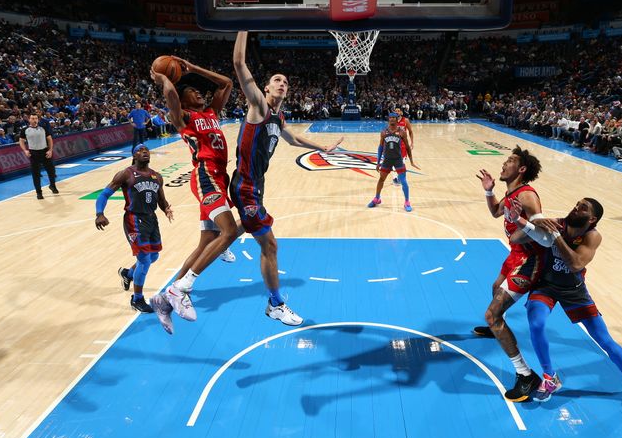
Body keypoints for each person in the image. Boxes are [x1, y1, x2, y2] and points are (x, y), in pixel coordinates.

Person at [232, 31, 343, 326]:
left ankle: (204, 255)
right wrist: (242, 26)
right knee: (270, 246)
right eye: (277, 80)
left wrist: (323, 146)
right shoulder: (258, 106)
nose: (283, 84)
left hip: (255, 186)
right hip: (245, 186)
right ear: (265, 88)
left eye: (286, 82)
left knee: (238, 231)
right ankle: (276, 304)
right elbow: (239, 64)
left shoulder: (278, 118)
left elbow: (293, 139)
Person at [503, 197, 622, 416]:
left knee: (604, 340)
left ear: (592, 218)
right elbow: (516, 239)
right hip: (546, 286)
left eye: (582, 208)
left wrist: (554, 237)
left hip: (574, 290)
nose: (575, 207)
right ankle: (549, 377)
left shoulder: (593, 236)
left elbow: (575, 264)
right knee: (536, 324)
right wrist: (524, 222)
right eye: (576, 204)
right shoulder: (557, 223)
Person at [148, 59, 241, 334]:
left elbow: (226, 83)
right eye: (192, 90)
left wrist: (193, 68)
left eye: (199, 91)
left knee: (207, 243)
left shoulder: (211, 112)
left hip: (219, 178)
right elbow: (172, 98)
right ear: (185, 99)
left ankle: (163, 300)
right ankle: (181, 288)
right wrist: (166, 79)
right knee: (230, 231)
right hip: (205, 176)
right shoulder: (184, 117)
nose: (198, 92)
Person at [472, 146, 545, 401]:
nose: (504, 164)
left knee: (492, 314)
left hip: (530, 259)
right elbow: (495, 212)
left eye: (510, 161)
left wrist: (520, 231)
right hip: (515, 255)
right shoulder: (511, 192)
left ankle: (526, 375)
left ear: (521, 169)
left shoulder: (527, 196)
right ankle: (497, 328)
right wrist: (489, 190)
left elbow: (542, 228)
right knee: (495, 288)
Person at [95, 144, 174, 312]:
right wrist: (99, 213)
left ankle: (128, 274)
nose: (144, 151)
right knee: (144, 259)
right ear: (134, 156)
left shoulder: (157, 176)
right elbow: (104, 194)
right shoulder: (126, 174)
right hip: (134, 219)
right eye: (139, 150)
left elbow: (161, 199)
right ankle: (137, 299)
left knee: (154, 256)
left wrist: (166, 208)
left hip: (151, 219)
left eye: (146, 149)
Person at [367, 112, 419, 211]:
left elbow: (407, 147)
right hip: (387, 160)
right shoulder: (383, 132)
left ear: (396, 119)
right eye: (390, 118)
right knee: (381, 179)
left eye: (394, 118)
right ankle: (377, 198)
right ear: (388, 119)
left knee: (403, 181)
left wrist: (411, 161)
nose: (392, 119)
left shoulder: (402, 132)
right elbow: (380, 147)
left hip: (398, 159)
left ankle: (407, 202)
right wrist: (378, 162)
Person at [19, 114, 58, 199]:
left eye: (36, 118)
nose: (34, 120)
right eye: (32, 118)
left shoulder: (43, 128)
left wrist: (50, 150)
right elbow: (21, 141)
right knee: (36, 174)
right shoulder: (25, 130)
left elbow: (49, 139)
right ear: (29, 120)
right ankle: (39, 192)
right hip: (33, 153)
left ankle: (52, 185)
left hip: (44, 151)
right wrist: (25, 150)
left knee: (51, 171)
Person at [392, 107, 414, 185]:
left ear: (401, 112)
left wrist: (412, 142)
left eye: (398, 111)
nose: (397, 112)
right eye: (396, 111)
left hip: (403, 145)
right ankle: (394, 178)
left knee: (402, 162)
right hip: (394, 144)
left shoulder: (406, 120)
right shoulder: (392, 120)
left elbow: (411, 132)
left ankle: (400, 177)